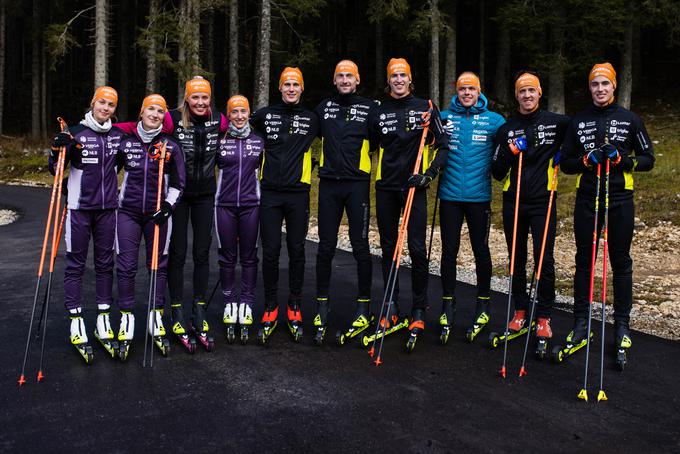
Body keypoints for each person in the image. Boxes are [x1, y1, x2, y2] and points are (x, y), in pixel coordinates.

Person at [560, 63, 654, 365]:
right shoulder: (579, 121)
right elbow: (566, 163)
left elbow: (648, 159)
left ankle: (622, 326)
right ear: (590, 88)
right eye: (595, 84)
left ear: (614, 86)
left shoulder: (630, 120)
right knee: (584, 261)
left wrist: (624, 160)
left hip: (619, 199)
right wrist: (587, 160)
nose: (600, 89)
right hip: (587, 199)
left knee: (620, 261)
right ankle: (581, 323)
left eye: (605, 84)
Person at [368, 58, 450, 345]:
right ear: (388, 80)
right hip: (386, 186)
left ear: (410, 78)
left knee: (416, 248)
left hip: (415, 186)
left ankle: (418, 308)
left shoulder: (426, 107)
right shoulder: (379, 111)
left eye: (403, 75)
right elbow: (368, 143)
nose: (399, 80)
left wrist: (429, 176)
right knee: (389, 247)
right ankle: (391, 306)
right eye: (394, 76)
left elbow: (443, 147)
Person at [491, 71, 569, 351]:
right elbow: (497, 171)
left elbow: (577, 136)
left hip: (543, 201)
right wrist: (510, 150)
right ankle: (521, 310)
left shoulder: (557, 123)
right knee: (517, 259)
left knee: (544, 260)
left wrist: (566, 154)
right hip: (514, 201)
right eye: (522, 91)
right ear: (516, 95)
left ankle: (544, 317)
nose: (527, 96)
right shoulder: (507, 128)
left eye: (531, 91)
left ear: (539, 93)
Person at [48, 86, 126, 363]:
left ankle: (103, 318)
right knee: (76, 264)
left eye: (111, 105)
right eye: (102, 103)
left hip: (107, 210)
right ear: (93, 103)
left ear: (115, 109)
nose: (106, 108)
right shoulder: (76, 132)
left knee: (106, 264)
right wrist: (57, 148)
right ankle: (76, 320)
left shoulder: (117, 135)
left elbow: (119, 164)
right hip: (79, 209)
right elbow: (55, 167)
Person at [250, 67, 320, 343]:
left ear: (302, 89)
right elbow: (237, 124)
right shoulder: (265, 115)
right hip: (269, 193)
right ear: (279, 88)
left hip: (298, 194)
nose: (291, 88)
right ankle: (270, 306)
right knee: (270, 251)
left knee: (297, 249)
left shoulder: (312, 118)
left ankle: (294, 304)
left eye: (296, 85)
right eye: (287, 84)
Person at [115, 94, 185, 360]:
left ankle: (156, 316)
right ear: (142, 112)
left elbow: (179, 184)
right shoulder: (126, 141)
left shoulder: (171, 146)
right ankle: (126, 317)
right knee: (126, 265)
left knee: (157, 265)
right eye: (151, 109)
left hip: (157, 214)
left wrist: (167, 207)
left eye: (160, 111)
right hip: (128, 213)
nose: (155, 114)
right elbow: (108, 172)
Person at [312, 60, 378, 345]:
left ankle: (364, 307)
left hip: (356, 185)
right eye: (340, 75)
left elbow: (383, 139)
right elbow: (302, 132)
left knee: (361, 246)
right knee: (325, 247)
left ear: (358, 79)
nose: (344, 79)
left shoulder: (370, 108)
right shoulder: (323, 108)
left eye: (349, 75)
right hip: (328, 186)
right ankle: (322, 306)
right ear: (334, 79)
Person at [439, 71, 505, 343]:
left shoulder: (494, 121)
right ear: (457, 91)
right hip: (450, 196)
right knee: (449, 250)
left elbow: (511, 142)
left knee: (481, 250)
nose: (467, 93)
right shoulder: (444, 118)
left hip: (479, 197)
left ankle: (483, 304)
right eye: (462, 89)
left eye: (472, 89)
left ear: (479, 92)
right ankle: (447, 304)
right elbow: (426, 141)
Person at [165, 76, 227, 347]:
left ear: (210, 99)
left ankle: (199, 310)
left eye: (205, 97)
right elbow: (138, 126)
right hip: (178, 195)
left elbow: (244, 124)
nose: (200, 102)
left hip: (205, 194)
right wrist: (81, 128)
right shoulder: (172, 119)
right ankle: (176, 310)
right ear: (187, 98)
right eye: (195, 97)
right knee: (177, 253)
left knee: (202, 253)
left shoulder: (219, 120)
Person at [216, 95, 264, 344]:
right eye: (234, 112)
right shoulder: (220, 141)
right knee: (226, 255)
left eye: (243, 112)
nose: (239, 116)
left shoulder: (259, 141)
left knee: (249, 255)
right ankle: (228, 302)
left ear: (249, 113)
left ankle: (246, 302)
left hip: (251, 205)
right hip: (223, 205)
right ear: (228, 115)